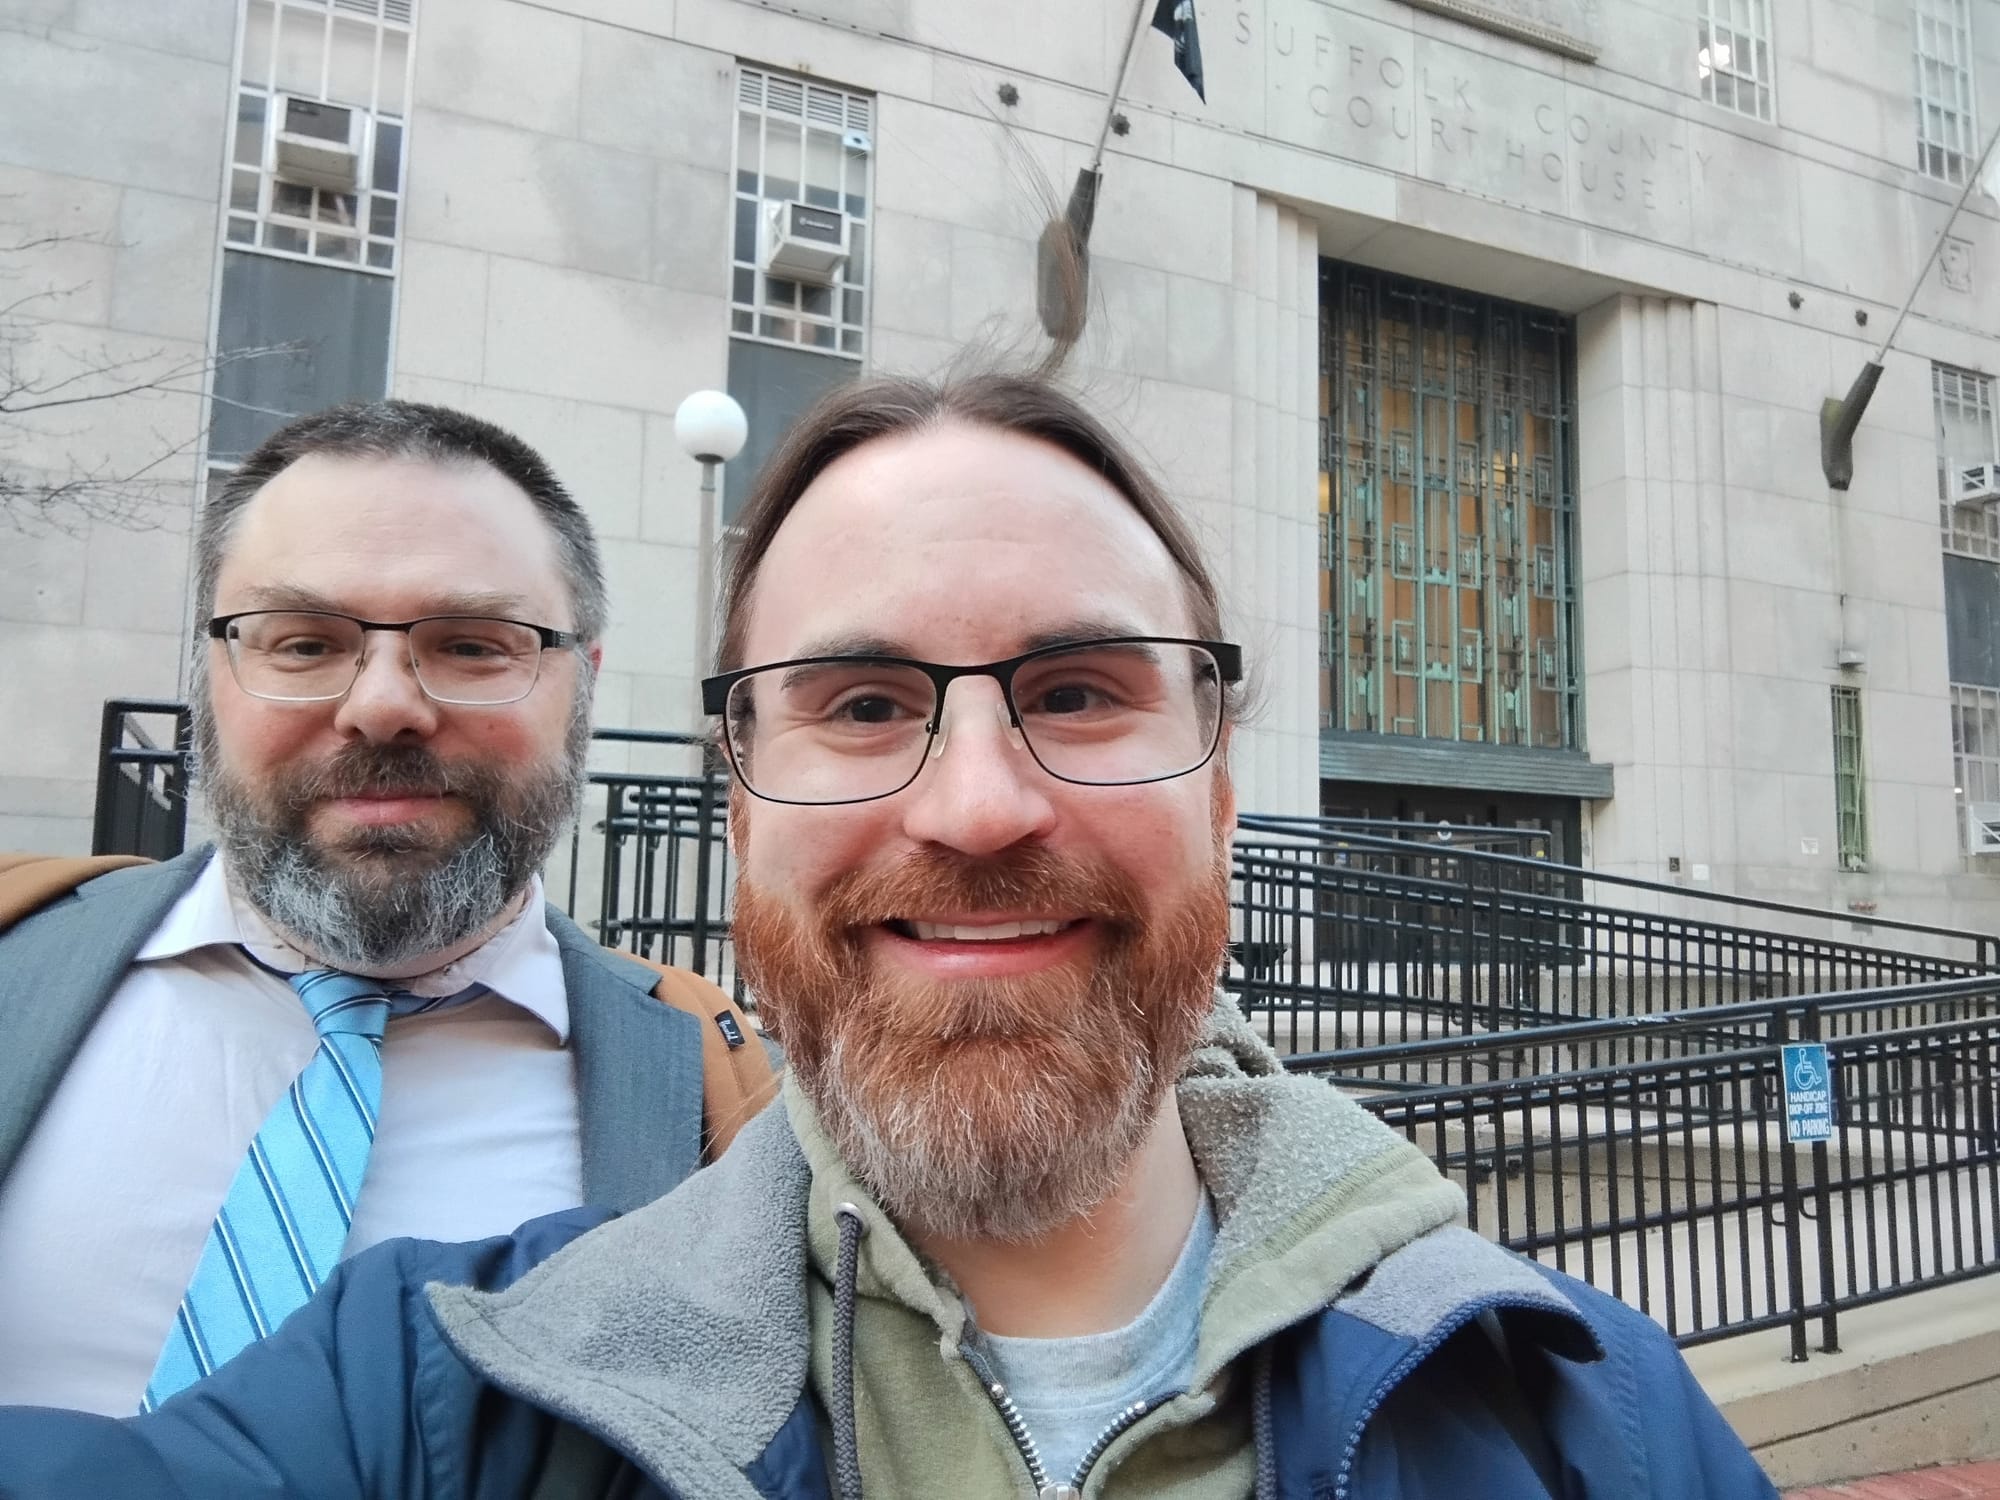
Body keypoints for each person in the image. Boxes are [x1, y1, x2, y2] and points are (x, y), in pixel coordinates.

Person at [0, 374, 1776, 1497]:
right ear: (737, 799)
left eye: (1080, 690)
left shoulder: (1584, 1411)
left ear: (1226, 785)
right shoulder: (446, 1384)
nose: (979, 806)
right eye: (860, 702)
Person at [0, 401, 732, 1416]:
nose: (383, 705)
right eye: (302, 642)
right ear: (210, 675)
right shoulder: (20, 958)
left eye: (474, 645)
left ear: (581, 687)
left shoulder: (728, 1101)